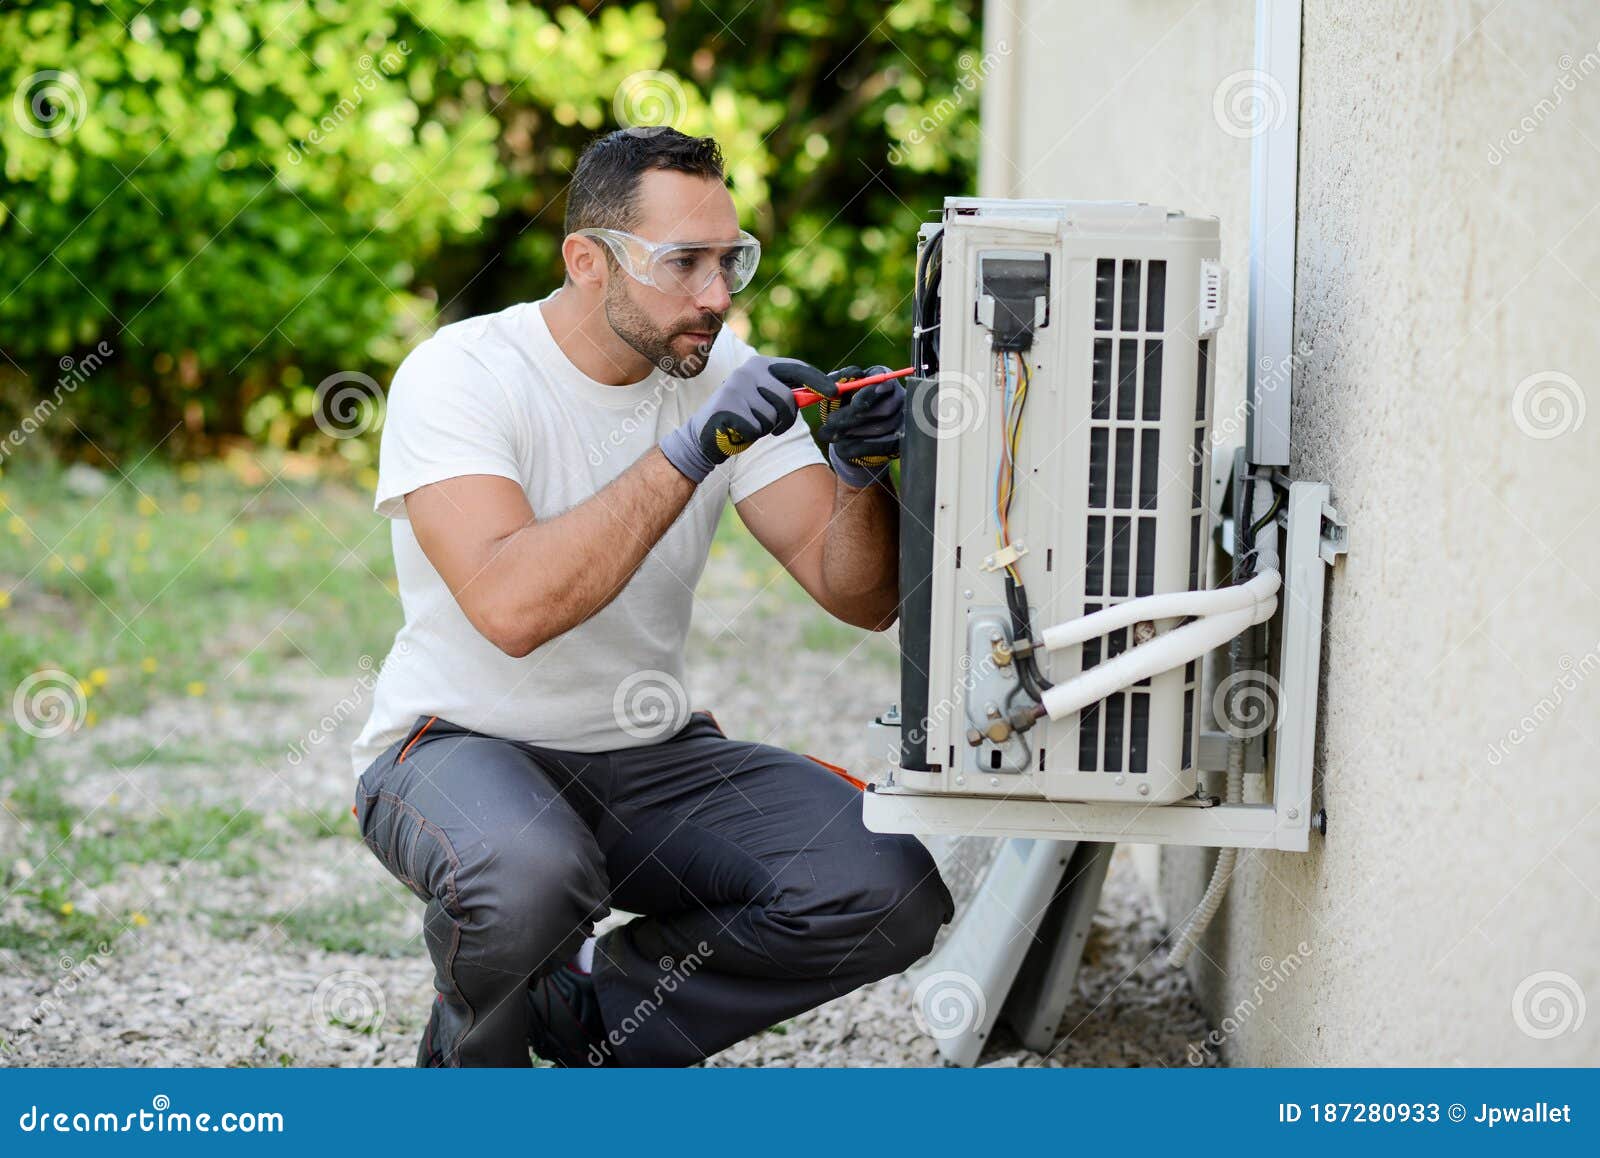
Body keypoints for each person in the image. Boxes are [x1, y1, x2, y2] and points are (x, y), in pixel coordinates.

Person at [348, 127, 953, 1067]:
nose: (716, 295)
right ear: (588, 261)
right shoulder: (460, 373)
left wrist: (862, 474)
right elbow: (514, 609)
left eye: (731, 260)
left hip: (645, 756)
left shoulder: (720, 370)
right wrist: (683, 455)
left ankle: (589, 1005)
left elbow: (859, 597)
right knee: (525, 872)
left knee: (880, 882)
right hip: (454, 747)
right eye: (685, 263)